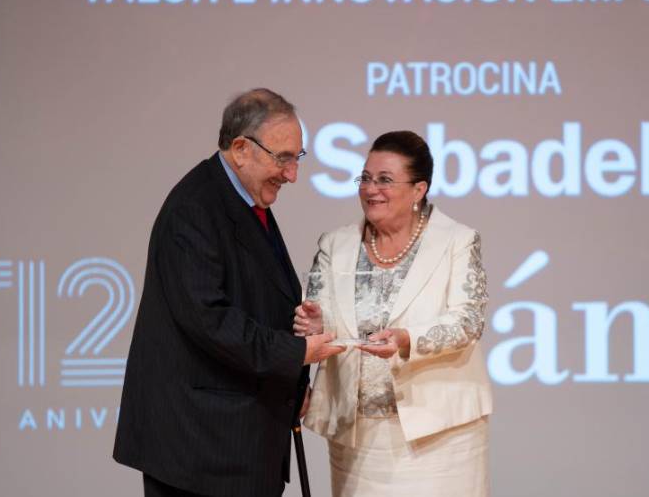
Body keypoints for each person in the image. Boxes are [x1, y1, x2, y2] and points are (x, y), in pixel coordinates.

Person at [113, 88, 344, 497]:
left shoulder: (242, 201)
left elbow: (257, 300)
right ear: (241, 149)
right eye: (283, 158)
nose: (292, 174)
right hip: (201, 450)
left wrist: (299, 335)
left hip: (234, 445)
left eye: (297, 158)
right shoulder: (195, 209)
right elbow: (209, 319)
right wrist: (296, 354)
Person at [297, 130, 493, 496]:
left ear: (419, 189)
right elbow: (320, 316)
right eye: (366, 178)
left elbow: (469, 320)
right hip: (357, 436)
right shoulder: (335, 244)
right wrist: (312, 324)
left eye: (385, 180)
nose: (371, 189)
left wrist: (406, 339)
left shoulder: (457, 240)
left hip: (440, 435)